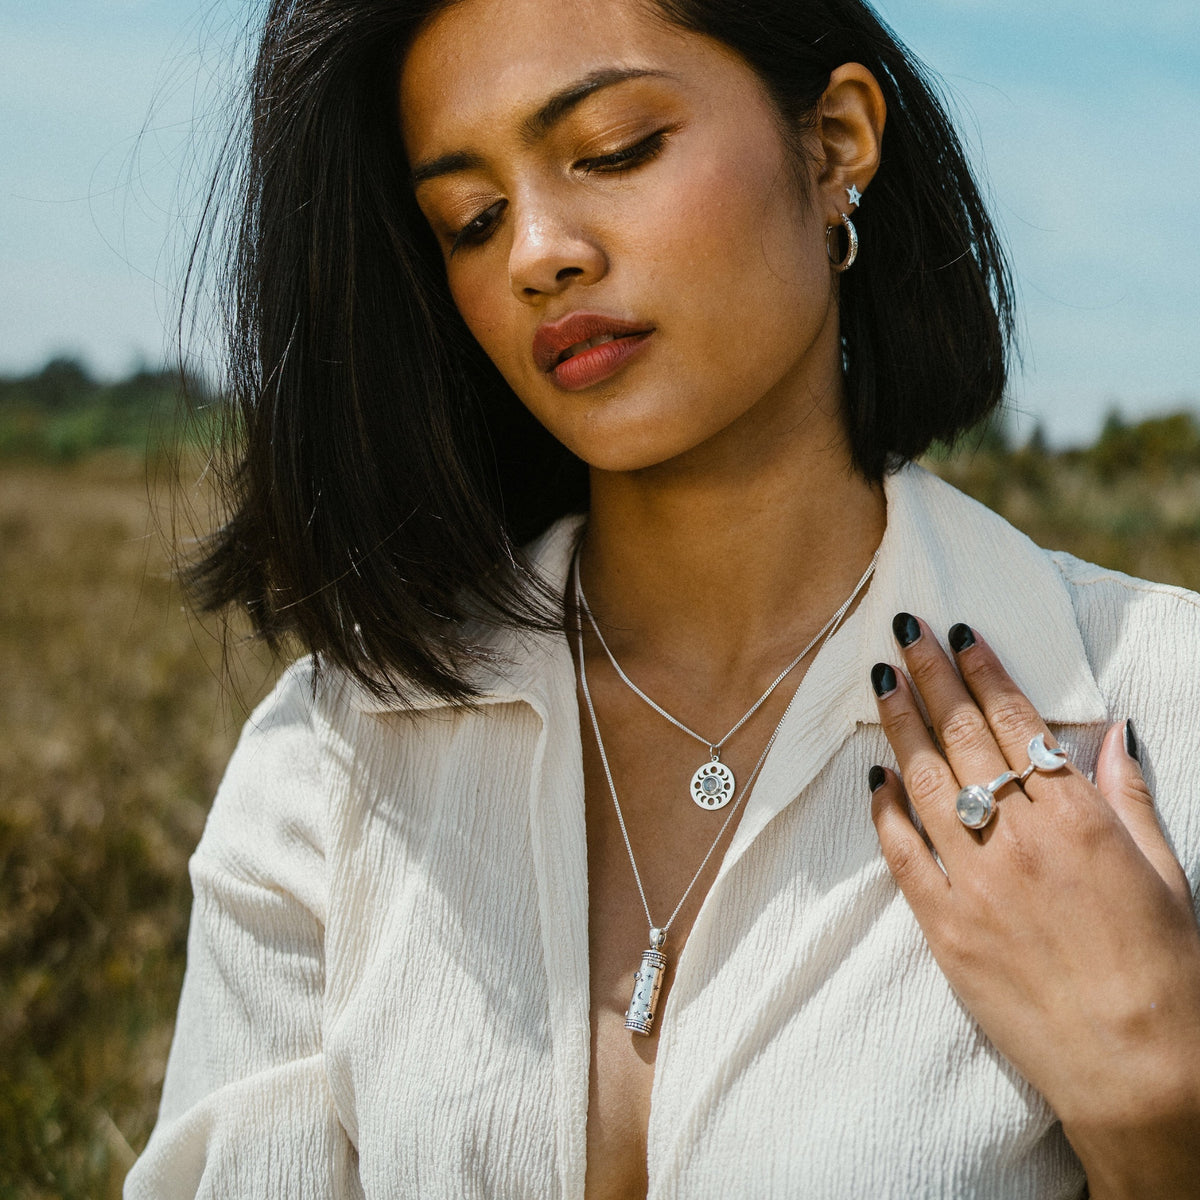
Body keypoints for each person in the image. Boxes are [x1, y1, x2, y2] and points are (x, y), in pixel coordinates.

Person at [126, 0, 1200, 1196]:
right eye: (472, 219)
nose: (537, 252)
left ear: (834, 144)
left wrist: (1161, 1106)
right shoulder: (333, 759)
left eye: (615, 149)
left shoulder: (1163, 709)